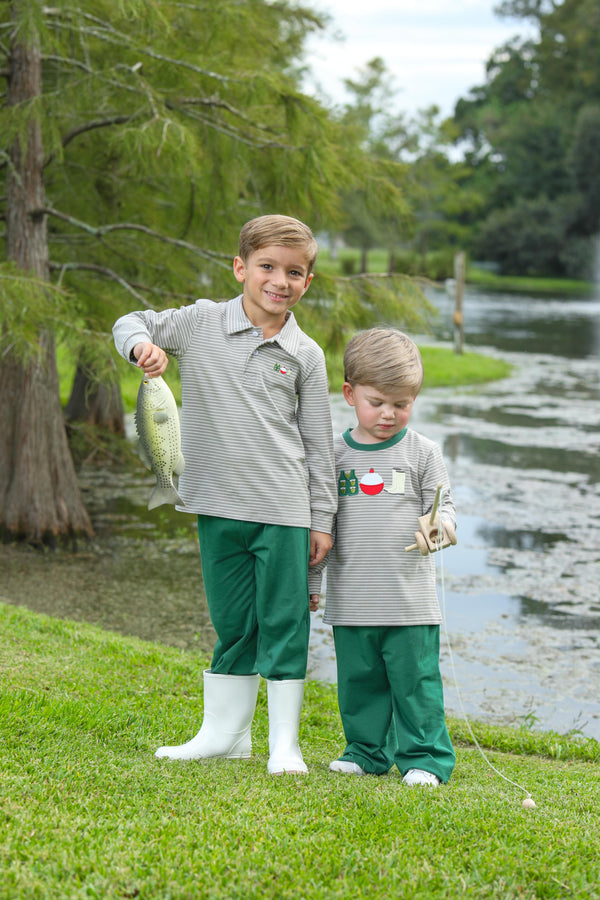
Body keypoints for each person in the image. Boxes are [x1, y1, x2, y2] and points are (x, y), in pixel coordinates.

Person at [113, 214, 336, 775]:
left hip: (283, 510)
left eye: (294, 272)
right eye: (267, 267)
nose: (279, 281)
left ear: (307, 281)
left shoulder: (305, 353)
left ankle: (284, 745)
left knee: (284, 622)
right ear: (240, 268)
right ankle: (224, 736)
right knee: (233, 623)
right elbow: (129, 320)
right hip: (214, 506)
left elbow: (316, 443)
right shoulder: (199, 323)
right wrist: (142, 348)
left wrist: (322, 519)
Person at [309, 327, 456, 787]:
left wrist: (441, 528)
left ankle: (425, 759)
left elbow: (444, 508)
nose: (390, 414)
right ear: (350, 394)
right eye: (378, 402)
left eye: (402, 403)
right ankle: (366, 752)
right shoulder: (332, 456)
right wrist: (313, 585)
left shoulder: (424, 453)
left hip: (410, 603)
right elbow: (320, 527)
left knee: (415, 684)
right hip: (352, 599)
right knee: (360, 682)